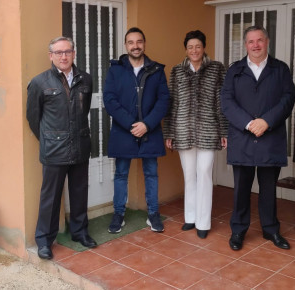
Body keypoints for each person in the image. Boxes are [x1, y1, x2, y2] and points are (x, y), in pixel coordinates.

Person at [220, 26, 295, 251]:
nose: (255, 45)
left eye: (259, 40)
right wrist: (249, 123)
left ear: (267, 42)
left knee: (268, 189)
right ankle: (238, 231)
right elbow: (227, 101)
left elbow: (288, 98)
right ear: (245, 45)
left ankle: (271, 229)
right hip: (242, 137)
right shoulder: (234, 70)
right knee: (241, 190)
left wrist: (266, 121)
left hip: (270, 139)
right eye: (251, 41)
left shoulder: (280, 69)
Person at [26, 36, 97, 260]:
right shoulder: (39, 82)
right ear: (51, 56)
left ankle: (79, 232)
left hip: (80, 146)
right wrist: (50, 139)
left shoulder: (85, 79)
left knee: (79, 192)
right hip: (53, 151)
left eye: (67, 51)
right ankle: (44, 241)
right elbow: (33, 118)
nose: (64, 56)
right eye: (59, 52)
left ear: (74, 54)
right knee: (51, 197)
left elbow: (83, 112)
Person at [103, 27, 169, 234]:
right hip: (125, 130)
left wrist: (147, 124)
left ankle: (153, 214)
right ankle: (118, 214)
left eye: (139, 41)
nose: (135, 46)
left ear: (144, 44)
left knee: (151, 173)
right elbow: (110, 100)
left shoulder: (157, 70)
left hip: (150, 130)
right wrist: (132, 124)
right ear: (126, 45)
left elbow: (164, 100)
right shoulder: (115, 70)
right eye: (131, 42)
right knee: (121, 174)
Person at [163, 30, 227, 239]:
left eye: (197, 46)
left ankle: (203, 222)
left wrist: (224, 130)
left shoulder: (216, 69)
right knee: (189, 175)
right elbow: (172, 103)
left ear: (204, 47)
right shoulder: (177, 71)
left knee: (205, 173)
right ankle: (190, 217)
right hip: (183, 130)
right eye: (190, 47)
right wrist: (169, 132)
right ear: (186, 49)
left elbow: (222, 102)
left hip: (209, 130)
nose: (194, 50)